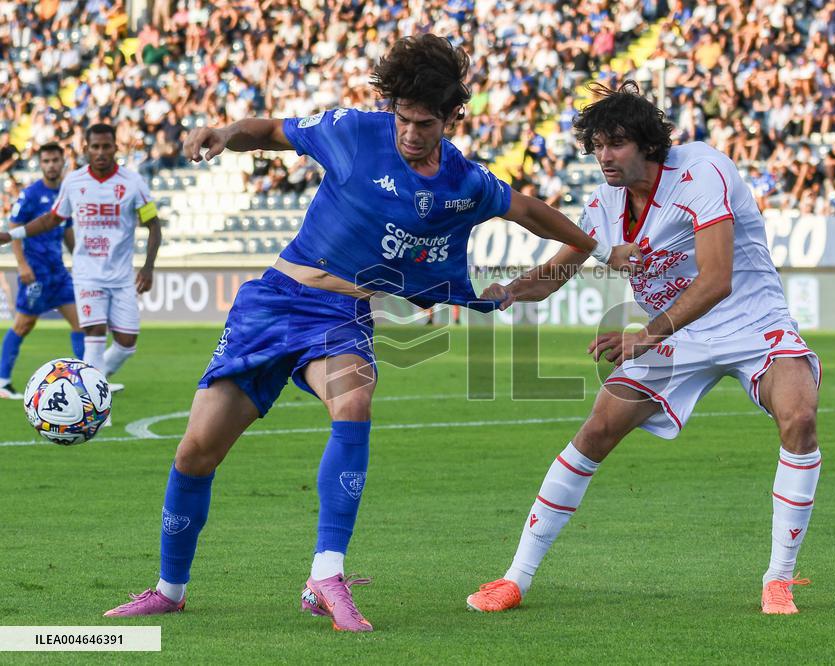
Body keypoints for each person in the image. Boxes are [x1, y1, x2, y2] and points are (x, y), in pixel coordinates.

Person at [85, 35, 637, 631]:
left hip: (341, 317)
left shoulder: (464, 182)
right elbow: (270, 131)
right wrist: (224, 133)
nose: (410, 133)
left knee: (354, 401)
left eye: (425, 124)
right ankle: (169, 589)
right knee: (197, 451)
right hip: (273, 303)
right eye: (403, 118)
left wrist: (598, 249)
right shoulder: (352, 131)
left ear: (451, 118)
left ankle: (326, 574)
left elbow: (528, 211)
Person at [466, 81, 822, 616]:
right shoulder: (604, 203)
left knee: (800, 416)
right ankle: (515, 578)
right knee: (596, 432)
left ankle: (779, 578)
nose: (604, 157)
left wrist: (645, 335)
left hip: (751, 320)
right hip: (676, 335)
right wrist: (510, 291)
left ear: (648, 144)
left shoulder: (701, 171)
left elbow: (717, 279)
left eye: (617, 144)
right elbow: (556, 274)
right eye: (597, 146)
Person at [0, 124, 162, 393]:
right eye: (95, 147)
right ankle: (90, 396)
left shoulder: (133, 183)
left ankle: (93, 381)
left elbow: (153, 224)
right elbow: (53, 219)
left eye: (106, 146)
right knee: (92, 331)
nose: (100, 152)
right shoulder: (74, 182)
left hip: (121, 276)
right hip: (86, 274)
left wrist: (148, 267)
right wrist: (12, 235)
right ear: (86, 149)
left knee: (126, 343)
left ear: (115, 147)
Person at [0, 143, 84, 399]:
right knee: (23, 324)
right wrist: (22, 265)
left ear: (62, 162)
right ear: (40, 164)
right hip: (35, 271)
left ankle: (87, 382)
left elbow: (67, 231)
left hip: (58, 271)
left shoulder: (65, 193)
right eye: (46, 161)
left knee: (81, 322)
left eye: (55, 160)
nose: (51, 165)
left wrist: (80, 259)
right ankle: (2, 381)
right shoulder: (30, 194)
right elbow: (14, 228)